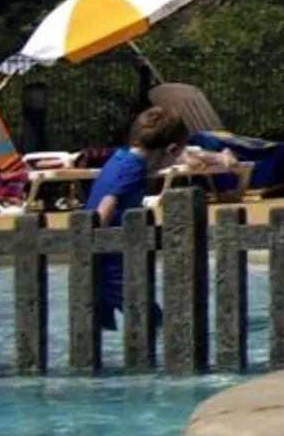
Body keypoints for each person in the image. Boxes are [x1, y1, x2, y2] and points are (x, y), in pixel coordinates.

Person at [91, 108, 236, 323]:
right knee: (154, 323)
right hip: (110, 266)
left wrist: (216, 157)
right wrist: (91, 238)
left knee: (97, 329)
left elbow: (180, 158)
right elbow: (105, 207)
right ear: (170, 149)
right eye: (175, 154)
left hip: (103, 262)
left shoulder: (123, 157)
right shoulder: (133, 170)